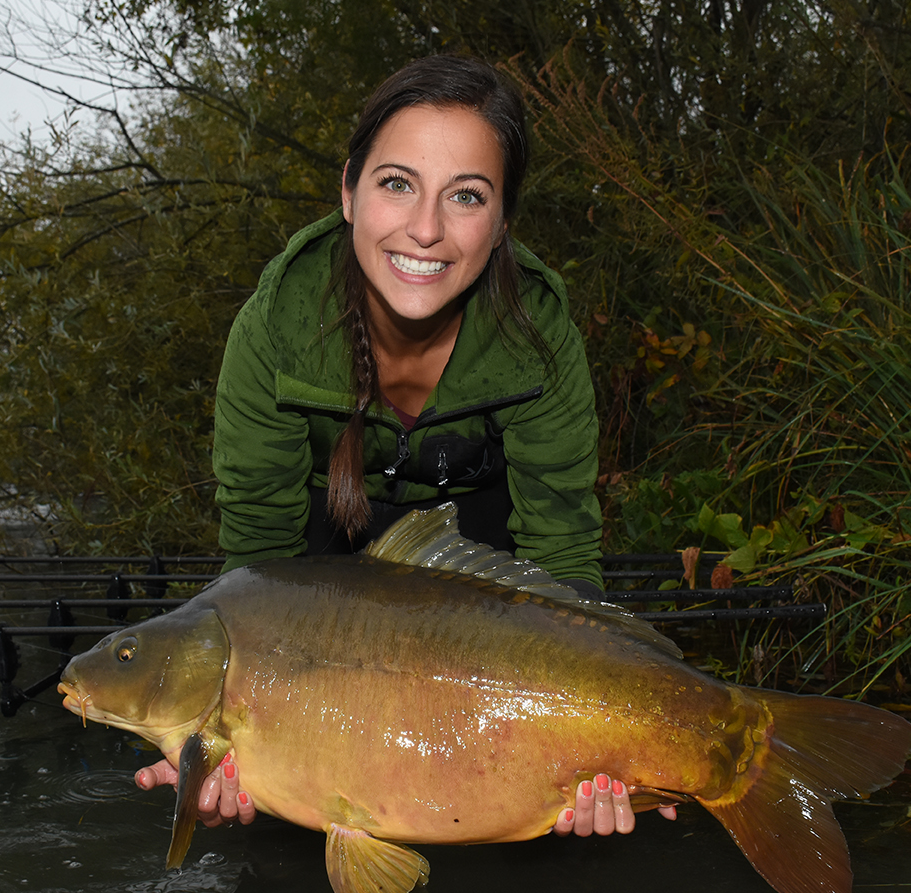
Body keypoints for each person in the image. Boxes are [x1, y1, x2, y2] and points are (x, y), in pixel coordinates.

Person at [135, 54, 677, 836]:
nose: (426, 229)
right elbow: (255, 567)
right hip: (321, 573)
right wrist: (220, 744)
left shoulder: (538, 332)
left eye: (466, 196)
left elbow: (562, 554)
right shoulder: (276, 328)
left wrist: (600, 732)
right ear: (348, 191)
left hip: (489, 561)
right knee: (287, 835)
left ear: (499, 225)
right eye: (396, 183)